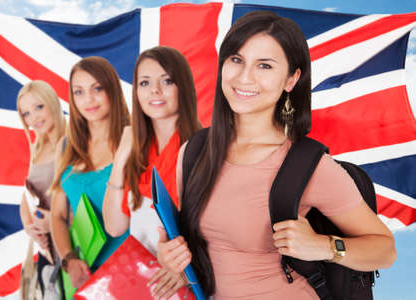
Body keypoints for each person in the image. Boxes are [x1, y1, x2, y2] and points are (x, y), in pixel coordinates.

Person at [155, 11, 397, 300]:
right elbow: (208, 252)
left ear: (291, 79)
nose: (245, 77)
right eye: (236, 60)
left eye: (265, 66)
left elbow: (386, 250)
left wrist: (325, 247)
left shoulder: (309, 166)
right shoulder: (194, 152)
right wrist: (174, 259)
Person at [102, 46, 201, 294]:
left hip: (186, 285)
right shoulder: (138, 152)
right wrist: (120, 159)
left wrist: (188, 272)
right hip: (144, 282)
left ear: (184, 87)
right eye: (144, 83)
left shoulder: (203, 149)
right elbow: (115, 227)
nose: (155, 90)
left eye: (167, 80)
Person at [50, 56, 130, 289]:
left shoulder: (133, 138)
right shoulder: (66, 147)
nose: (89, 100)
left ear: (112, 89)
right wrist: (69, 258)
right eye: (79, 92)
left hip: (131, 269)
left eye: (97, 88)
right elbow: (58, 215)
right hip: (84, 274)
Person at [17, 80, 66, 295]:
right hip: (48, 253)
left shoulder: (73, 140)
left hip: (75, 247)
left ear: (52, 102)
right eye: (26, 113)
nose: (33, 118)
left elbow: (86, 195)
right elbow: (27, 195)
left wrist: (54, 222)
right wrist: (29, 225)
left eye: (38, 107)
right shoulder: (37, 146)